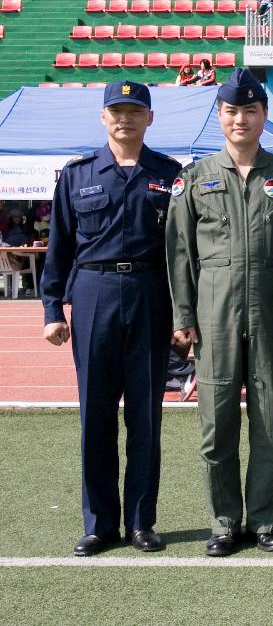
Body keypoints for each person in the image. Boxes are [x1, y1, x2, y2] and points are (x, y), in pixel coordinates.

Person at [41, 81, 182, 557]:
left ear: (149, 118)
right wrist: (51, 308)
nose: (125, 119)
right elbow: (58, 247)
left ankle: (142, 521)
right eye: (116, 111)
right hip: (94, 293)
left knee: (145, 415)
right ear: (104, 118)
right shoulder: (77, 175)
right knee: (95, 416)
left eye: (135, 111)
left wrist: (183, 313)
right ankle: (99, 523)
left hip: (150, 294)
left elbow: (182, 251)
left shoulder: (170, 174)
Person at [165, 70, 273, 557]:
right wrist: (184, 316)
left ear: (264, 116)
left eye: (250, 110)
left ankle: (265, 521)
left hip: (270, 315)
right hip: (214, 316)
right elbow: (180, 253)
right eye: (231, 111)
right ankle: (224, 522)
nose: (241, 119)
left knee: (269, 422)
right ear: (219, 115)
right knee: (217, 423)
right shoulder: (195, 178)